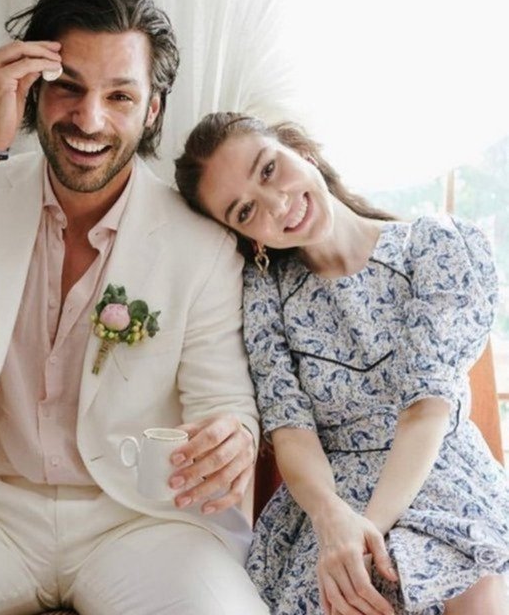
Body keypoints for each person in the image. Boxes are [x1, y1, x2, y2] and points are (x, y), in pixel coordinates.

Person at [0, 0, 270, 614]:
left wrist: (233, 435)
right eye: (68, 86)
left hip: (142, 521)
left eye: (119, 95)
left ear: (152, 110)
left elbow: (224, 403)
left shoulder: (203, 244)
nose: (89, 120)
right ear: (34, 90)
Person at [174, 111, 509, 615]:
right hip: (330, 499)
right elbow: (292, 432)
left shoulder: (433, 248)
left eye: (269, 169)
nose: (277, 203)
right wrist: (333, 520)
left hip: (438, 473)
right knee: (340, 596)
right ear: (249, 237)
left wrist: (366, 534)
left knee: (467, 576)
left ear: (299, 149)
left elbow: (425, 412)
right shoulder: (267, 297)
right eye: (245, 211)